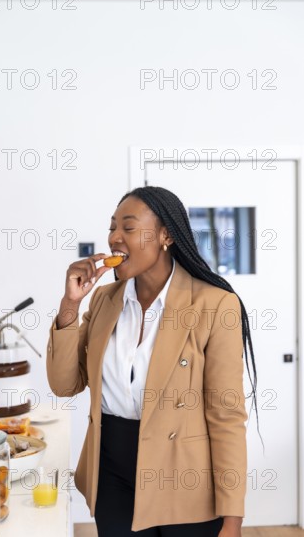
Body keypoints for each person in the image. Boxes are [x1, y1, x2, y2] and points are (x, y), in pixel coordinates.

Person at [46, 186, 258, 537]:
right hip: (112, 475)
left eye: (128, 228)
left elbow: (226, 416)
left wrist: (232, 519)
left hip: (186, 481)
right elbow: (64, 383)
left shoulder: (215, 305)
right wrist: (70, 306)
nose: (114, 237)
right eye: (112, 227)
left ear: (166, 236)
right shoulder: (102, 300)